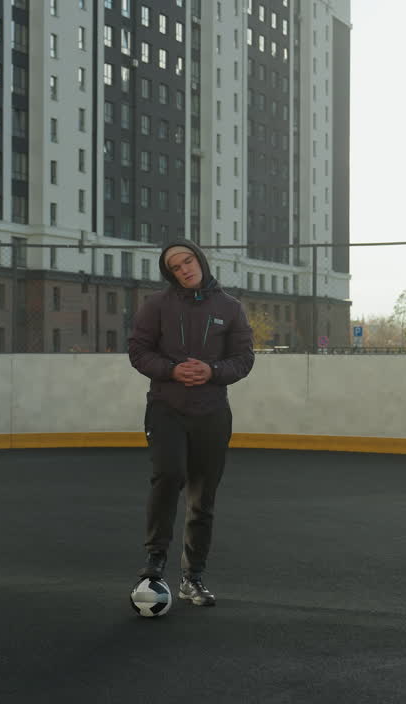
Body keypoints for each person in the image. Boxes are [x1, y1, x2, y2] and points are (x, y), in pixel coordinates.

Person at [127, 239, 255, 607]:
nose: (185, 269)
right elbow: (138, 351)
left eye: (188, 261)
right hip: (166, 408)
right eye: (175, 266)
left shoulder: (230, 308)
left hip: (213, 413)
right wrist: (171, 369)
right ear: (170, 274)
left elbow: (244, 360)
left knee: (202, 497)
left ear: (200, 260)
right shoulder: (156, 306)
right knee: (169, 475)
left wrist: (213, 371)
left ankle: (192, 578)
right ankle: (155, 561)